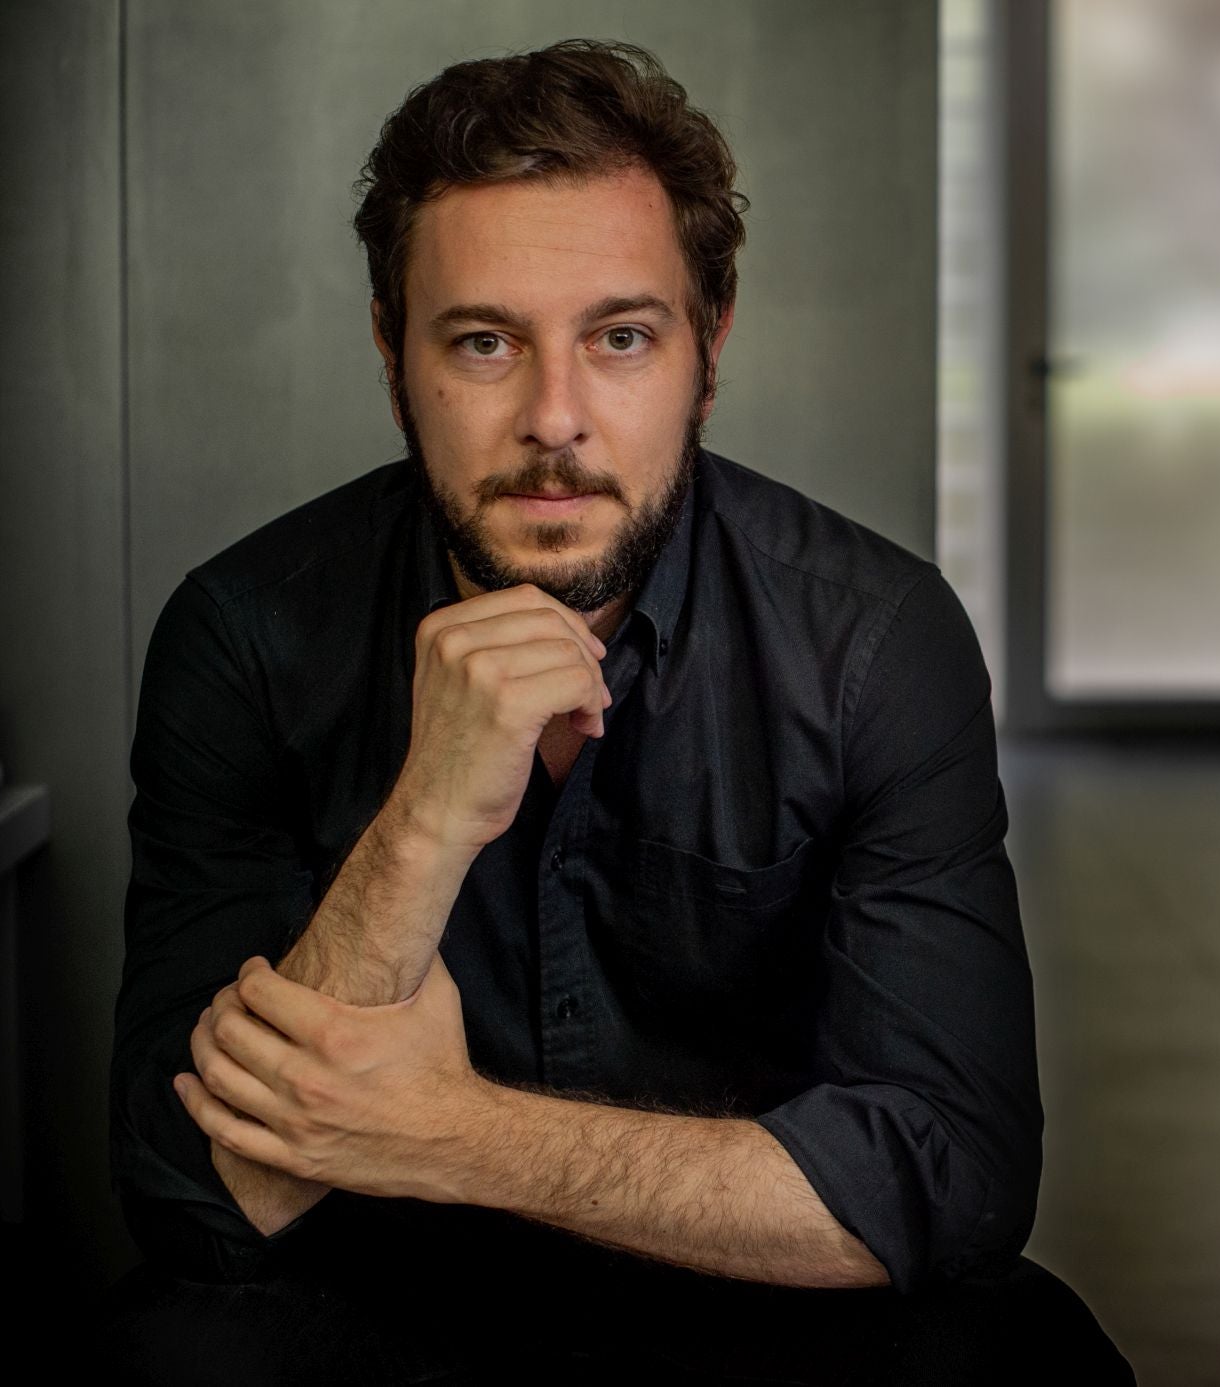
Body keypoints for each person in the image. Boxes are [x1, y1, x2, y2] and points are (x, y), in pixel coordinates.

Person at [101, 37, 1132, 1385]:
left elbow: (951, 1178)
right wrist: (425, 821)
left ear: (711, 345)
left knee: (1023, 1356)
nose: (555, 418)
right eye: (484, 341)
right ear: (392, 351)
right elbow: (197, 1204)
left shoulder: (874, 641)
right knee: (168, 1348)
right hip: (386, 1297)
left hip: (758, 1287)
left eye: (621, 338)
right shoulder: (244, 635)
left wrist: (455, 1137)